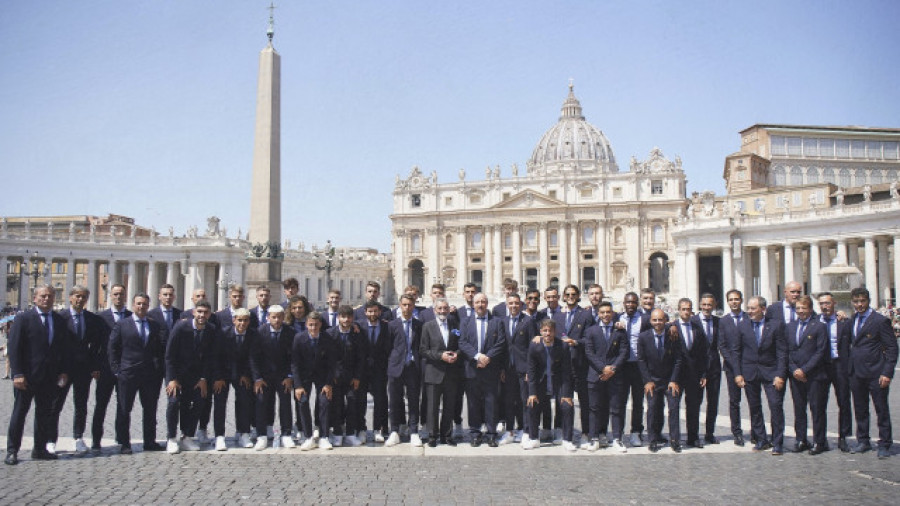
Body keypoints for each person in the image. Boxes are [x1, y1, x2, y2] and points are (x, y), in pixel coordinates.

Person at [5, 285, 72, 465]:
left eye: (50, 296)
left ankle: (40, 449)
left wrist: (63, 371)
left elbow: (63, 349)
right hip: (26, 377)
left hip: (49, 377)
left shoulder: (58, 320)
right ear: (35, 298)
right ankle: (12, 450)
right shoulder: (23, 318)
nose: (47, 299)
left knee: (44, 414)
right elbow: (14, 348)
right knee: (19, 414)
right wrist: (17, 373)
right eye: (43, 296)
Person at [108, 292, 167, 455]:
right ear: (133, 305)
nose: (141, 307)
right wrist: (116, 370)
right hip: (128, 373)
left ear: (148, 306)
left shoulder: (154, 325)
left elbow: (159, 349)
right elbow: (112, 348)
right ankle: (124, 442)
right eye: (139, 304)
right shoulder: (122, 324)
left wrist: (157, 368)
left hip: (149, 375)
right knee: (124, 409)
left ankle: (150, 441)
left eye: (145, 304)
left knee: (150, 409)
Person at [49, 285, 103, 456]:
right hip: (63, 370)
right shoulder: (59, 318)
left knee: (81, 405)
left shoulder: (92, 319)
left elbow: (96, 345)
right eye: (77, 296)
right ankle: (50, 439)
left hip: (83, 369)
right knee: (56, 405)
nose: (80, 300)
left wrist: (94, 366)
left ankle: (78, 436)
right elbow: (54, 346)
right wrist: (58, 369)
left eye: (83, 297)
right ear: (70, 297)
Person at [846, 287, 897, 459]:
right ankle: (863, 440)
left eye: (862, 301)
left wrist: (887, 372)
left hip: (876, 372)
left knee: (881, 409)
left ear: (868, 301)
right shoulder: (853, 319)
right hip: (856, 372)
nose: (859, 304)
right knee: (860, 409)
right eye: (856, 301)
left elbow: (891, 348)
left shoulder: (879, 321)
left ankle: (884, 443)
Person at [164, 300, 221, 454]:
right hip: (177, 375)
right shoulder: (181, 327)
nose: (202, 315)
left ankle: (187, 436)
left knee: (199, 401)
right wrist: (172, 379)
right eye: (200, 311)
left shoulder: (211, 330)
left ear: (209, 314)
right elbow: (169, 355)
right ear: (194, 312)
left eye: (206, 312)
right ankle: (171, 438)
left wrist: (203, 379)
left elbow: (211, 357)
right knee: (174, 402)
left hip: (197, 376)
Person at [734, 296, 788, 455]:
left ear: (763, 309)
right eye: (748, 308)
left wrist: (780, 374)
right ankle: (762, 439)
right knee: (754, 408)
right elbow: (736, 351)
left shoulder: (776, 326)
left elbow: (782, 352)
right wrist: (738, 374)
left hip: (771, 372)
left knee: (775, 406)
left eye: (753, 308)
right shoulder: (742, 326)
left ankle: (778, 442)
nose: (749, 311)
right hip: (750, 372)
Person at [458, 293, 508, 447]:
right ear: (473, 304)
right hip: (472, 368)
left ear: (487, 304)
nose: (480, 304)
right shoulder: (465, 322)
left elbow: (501, 342)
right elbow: (462, 342)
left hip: (490, 368)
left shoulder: (496, 321)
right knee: (473, 403)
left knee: (491, 402)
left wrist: (488, 357)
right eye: (477, 302)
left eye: (483, 302)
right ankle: (475, 432)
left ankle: (492, 433)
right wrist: (477, 356)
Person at [523, 319, 576, 451]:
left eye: (550, 331)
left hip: (558, 382)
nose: (548, 333)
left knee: (567, 406)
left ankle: (567, 439)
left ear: (555, 332)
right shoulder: (534, 346)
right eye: (545, 331)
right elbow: (531, 370)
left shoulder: (562, 346)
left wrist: (567, 394)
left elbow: (566, 371)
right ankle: (533, 438)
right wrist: (532, 392)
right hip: (541, 382)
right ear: (540, 332)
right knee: (532, 403)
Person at [583, 301, 629, 452]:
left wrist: (613, 368)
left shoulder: (620, 331)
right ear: (598, 314)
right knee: (594, 408)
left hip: (615, 375)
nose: (605, 315)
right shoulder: (591, 331)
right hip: (596, 374)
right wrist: (603, 368)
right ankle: (594, 438)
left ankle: (617, 438)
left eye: (608, 312)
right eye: (602, 312)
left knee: (616, 408)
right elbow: (589, 353)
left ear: (612, 313)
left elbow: (624, 352)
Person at [786, 295, 828, 455]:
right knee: (799, 409)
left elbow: (820, 351)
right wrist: (794, 369)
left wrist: (805, 370)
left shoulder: (819, 326)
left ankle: (819, 441)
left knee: (817, 409)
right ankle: (801, 439)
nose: (801, 311)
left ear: (810, 309)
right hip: (795, 375)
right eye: (798, 308)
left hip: (814, 374)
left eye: (804, 308)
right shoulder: (790, 326)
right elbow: (787, 350)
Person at [249, 305, 295, 450]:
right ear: (268, 318)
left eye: (279, 317)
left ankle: (286, 434)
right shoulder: (260, 332)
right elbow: (254, 357)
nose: (276, 320)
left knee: (286, 404)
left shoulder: (290, 332)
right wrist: (257, 378)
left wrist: (290, 376)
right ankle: (261, 435)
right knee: (261, 403)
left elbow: (293, 357)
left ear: (283, 317)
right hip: (264, 376)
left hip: (283, 376)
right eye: (273, 317)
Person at [552, 284, 594, 447]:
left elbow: (590, 339)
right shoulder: (558, 316)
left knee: (585, 402)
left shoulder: (586, 315)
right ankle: (563, 431)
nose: (570, 296)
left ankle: (585, 432)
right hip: (563, 365)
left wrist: (575, 342)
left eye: (573, 294)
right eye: (567, 294)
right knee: (563, 401)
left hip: (581, 363)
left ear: (578, 296)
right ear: (563, 296)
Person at [637, 308, 683, 453]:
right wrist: (647, 380)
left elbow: (678, 359)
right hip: (652, 379)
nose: (657, 322)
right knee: (652, 409)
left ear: (666, 321)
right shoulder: (643, 337)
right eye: (654, 320)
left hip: (670, 379)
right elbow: (641, 360)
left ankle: (675, 439)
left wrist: (674, 380)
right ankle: (652, 439)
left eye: (660, 320)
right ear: (650, 321)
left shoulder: (673, 335)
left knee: (674, 408)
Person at [94, 283, 132, 454]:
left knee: (123, 406)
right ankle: (96, 440)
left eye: (121, 294)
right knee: (101, 405)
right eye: (115, 294)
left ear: (125, 296)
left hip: (125, 369)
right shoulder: (100, 318)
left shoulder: (132, 316)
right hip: (105, 369)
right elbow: (94, 346)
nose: (118, 297)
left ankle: (123, 440)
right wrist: (94, 367)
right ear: (110, 295)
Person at [419, 298, 462, 447]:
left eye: (445, 308)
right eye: (440, 309)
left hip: (451, 372)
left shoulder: (455, 325)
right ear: (434, 310)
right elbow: (423, 350)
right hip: (434, 371)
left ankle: (447, 435)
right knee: (432, 406)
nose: (443, 311)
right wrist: (440, 356)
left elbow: (460, 344)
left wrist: (457, 353)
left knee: (449, 406)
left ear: (449, 309)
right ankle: (432, 435)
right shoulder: (427, 326)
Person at [292, 311, 338, 451]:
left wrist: (328, 384)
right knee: (303, 401)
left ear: (320, 325)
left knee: (324, 402)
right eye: (310, 325)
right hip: (305, 375)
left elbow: (332, 363)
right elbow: (295, 363)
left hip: (322, 375)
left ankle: (324, 436)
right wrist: (298, 385)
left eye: (316, 325)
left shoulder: (327, 339)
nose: (313, 328)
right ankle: (308, 436)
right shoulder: (299, 338)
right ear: (306, 325)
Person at [385, 294, 424, 447]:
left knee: (414, 400)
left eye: (410, 305)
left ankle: (414, 430)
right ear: (399, 306)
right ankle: (394, 430)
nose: (407, 308)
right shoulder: (392, 325)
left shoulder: (419, 325)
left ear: (414, 306)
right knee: (394, 400)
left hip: (413, 367)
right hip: (396, 367)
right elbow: (387, 347)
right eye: (404, 305)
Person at [327, 305, 367, 447]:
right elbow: (328, 358)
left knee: (352, 403)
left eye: (349, 317)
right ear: (338, 318)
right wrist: (332, 375)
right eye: (343, 317)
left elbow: (361, 358)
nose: (346, 320)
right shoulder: (330, 334)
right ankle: (337, 433)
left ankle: (350, 433)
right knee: (336, 405)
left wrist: (357, 377)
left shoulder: (357, 334)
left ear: (353, 318)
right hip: (335, 377)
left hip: (351, 377)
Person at [818, 292, 852, 452]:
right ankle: (820, 439)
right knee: (819, 404)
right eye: (822, 303)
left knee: (844, 402)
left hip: (839, 365)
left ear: (834, 303)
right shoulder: (815, 321)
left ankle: (843, 437)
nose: (825, 306)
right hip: (821, 366)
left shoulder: (844, 322)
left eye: (827, 303)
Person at [501, 293, 536, 445]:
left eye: (516, 303)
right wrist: (501, 369)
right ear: (507, 305)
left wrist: (530, 369)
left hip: (523, 368)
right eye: (511, 303)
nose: (514, 306)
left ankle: (525, 430)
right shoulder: (502, 321)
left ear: (521, 305)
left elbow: (533, 348)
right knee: (508, 401)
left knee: (524, 401)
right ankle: (509, 430)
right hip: (508, 368)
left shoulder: (528, 321)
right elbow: (501, 347)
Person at [673, 298, 708, 449]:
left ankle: (693, 437)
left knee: (693, 407)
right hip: (676, 376)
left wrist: (703, 374)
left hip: (694, 375)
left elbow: (703, 353)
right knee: (674, 408)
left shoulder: (697, 329)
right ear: (679, 310)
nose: (686, 312)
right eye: (683, 309)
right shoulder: (671, 327)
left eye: (689, 309)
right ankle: (675, 439)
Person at [617, 291, 650, 446]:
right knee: (620, 400)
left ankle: (636, 431)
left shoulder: (645, 319)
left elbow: (657, 330)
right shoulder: (617, 318)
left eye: (633, 302)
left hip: (638, 364)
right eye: (628, 302)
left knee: (638, 401)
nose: (630, 305)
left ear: (637, 304)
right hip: (622, 365)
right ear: (624, 303)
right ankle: (619, 433)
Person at [223, 308, 257, 449]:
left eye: (245, 320)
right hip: (224, 373)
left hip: (243, 373)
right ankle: (219, 435)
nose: (242, 323)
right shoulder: (224, 334)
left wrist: (245, 374)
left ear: (249, 321)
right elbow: (218, 357)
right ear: (234, 320)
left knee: (244, 400)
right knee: (219, 402)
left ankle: (244, 432)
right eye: (239, 320)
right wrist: (219, 377)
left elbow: (253, 358)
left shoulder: (253, 335)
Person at [692, 293, 723, 444]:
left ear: (714, 305)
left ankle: (709, 433)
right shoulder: (692, 321)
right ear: (699, 304)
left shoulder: (719, 322)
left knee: (713, 402)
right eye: (703, 304)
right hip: (697, 369)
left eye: (709, 305)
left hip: (714, 367)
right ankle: (694, 434)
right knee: (695, 402)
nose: (706, 308)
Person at [719, 289, 748, 446]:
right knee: (734, 401)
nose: (734, 302)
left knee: (753, 401)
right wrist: (735, 368)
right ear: (727, 301)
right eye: (731, 299)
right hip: (731, 367)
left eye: (736, 299)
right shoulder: (723, 321)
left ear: (741, 300)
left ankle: (757, 431)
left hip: (749, 366)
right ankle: (736, 432)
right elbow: (722, 347)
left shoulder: (749, 318)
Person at [360, 300, 391, 443]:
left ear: (380, 312)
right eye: (370, 311)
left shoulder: (386, 327)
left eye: (375, 311)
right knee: (360, 401)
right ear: (365, 312)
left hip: (380, 369)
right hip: (362, 369)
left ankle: (379, 428)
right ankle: (361, 428)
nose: (372, 314)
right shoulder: (359, 327)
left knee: (380, 400)